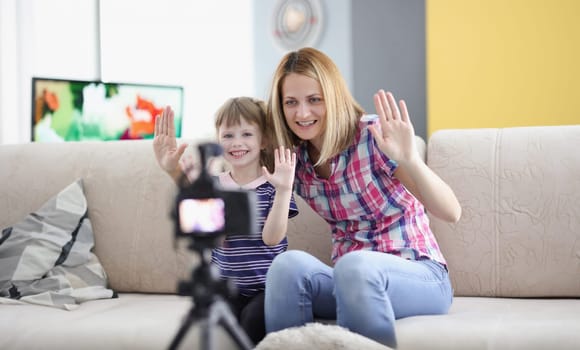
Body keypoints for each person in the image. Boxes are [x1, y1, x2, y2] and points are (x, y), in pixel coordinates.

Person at [263, 47, 462, 348]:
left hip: (419, 274)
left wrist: (410, 159)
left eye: (314, 99)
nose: (302, 113)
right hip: (350, 281)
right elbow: (237, 164)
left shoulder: (373, 137)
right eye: (291, 102)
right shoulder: (295, 160)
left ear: (333, 97)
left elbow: (451, 211)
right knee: (286, 267)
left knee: (354, 267)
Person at [153, 97, 299, 344]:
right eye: (228, 135)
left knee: (253, 319)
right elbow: (196, 212)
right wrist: (171, 169)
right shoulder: (215, 186)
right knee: (216, 322)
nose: (237, 142)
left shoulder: (274, 186)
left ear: (263, 140)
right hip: (226, 288)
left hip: (267, 289)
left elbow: (272, 238)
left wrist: (284, 190)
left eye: (246, 134)